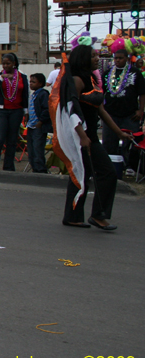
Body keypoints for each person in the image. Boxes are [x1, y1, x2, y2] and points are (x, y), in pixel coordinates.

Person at [62, 45, 133, 230]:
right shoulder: (76, 81)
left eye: (96, 55)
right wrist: (83, 136)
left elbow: (101, 110)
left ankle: (81, 216)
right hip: (81, 137)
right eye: (93, 55)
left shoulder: (92, 79)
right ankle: (86, 216)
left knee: (91, 175)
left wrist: (119, 133)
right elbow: (71, 112)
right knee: (88, 175)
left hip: (91, 136)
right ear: (83, 58)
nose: (97, 58)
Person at [101, 49, 145, 176]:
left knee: (131, 142)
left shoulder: (135, 73)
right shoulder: (107, 73)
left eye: (120, 58)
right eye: (116, 58)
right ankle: (110, 167)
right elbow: (102, 93)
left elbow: (142, 93)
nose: (117, 60)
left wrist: (140, 110)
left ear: (126, 58)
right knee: (109, 142)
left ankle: (130, 166)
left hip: (130, 115)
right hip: (110, 115)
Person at [0, 53, 29, 171]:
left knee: (12, 140)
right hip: (1, 111)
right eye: (3, 63)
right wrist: (1, 78)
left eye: (8, 63)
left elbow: (25, 94)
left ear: (14, 64)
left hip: (16, 111)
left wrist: (26, 111)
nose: (5, 66)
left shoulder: (22, 76)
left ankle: (9, 167)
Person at [26, 73, 51, 173]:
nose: (31, 84)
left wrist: (41, 121)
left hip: (38, 127)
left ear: (40, 84)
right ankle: (34, 169)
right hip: (31, 126)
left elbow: (47, 109)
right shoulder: (33, 95)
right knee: (31, 150)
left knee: (37, 149)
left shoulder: (43, 94)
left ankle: (40, 170)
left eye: (33, 82)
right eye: (30, 82)